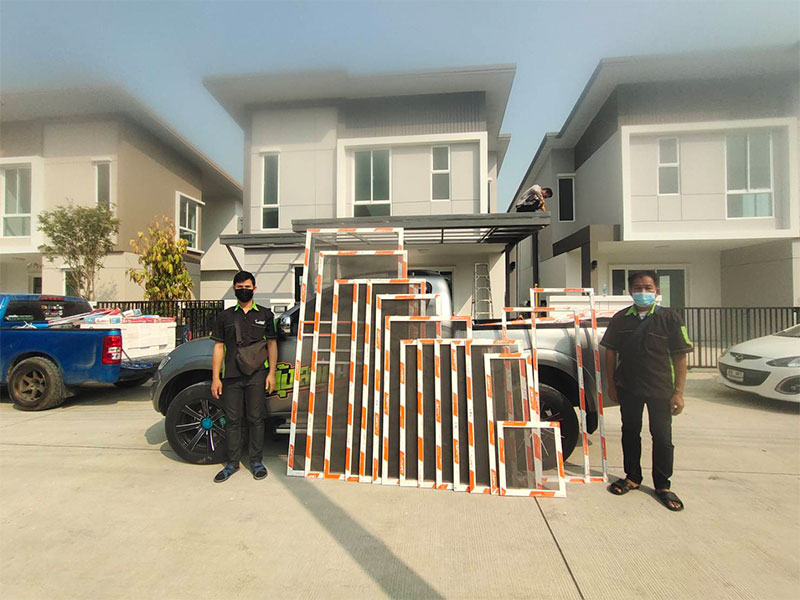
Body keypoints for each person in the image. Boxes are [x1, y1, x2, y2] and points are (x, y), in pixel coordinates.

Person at [600, 270, 692, 511]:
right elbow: (610, 352)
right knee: (630, 432)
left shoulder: (670, 318)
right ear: (630, 292)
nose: (643, 292)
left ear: (657, 291)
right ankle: (632, 477)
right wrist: (611, 384)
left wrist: (679, 392)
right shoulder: (620, 318)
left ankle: (663, 485)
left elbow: (680, 356)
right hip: (628, 387)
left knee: (662, 437)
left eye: (648, 288)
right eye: (638, 288)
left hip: (661, 388)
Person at [210, 271, 278, 483]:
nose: (244, 291)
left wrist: (272, 374)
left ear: (254, 289)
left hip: (257, 375)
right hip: (231, 376)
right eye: (240, 288)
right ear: (234, 289)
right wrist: (216, 378)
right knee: (233, 420)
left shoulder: (266, 315)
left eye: (247, 287)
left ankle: (256, 462)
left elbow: (272, 344)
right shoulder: (225, 316)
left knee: (256, 419)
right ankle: (232, 463)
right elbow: (218, 347)